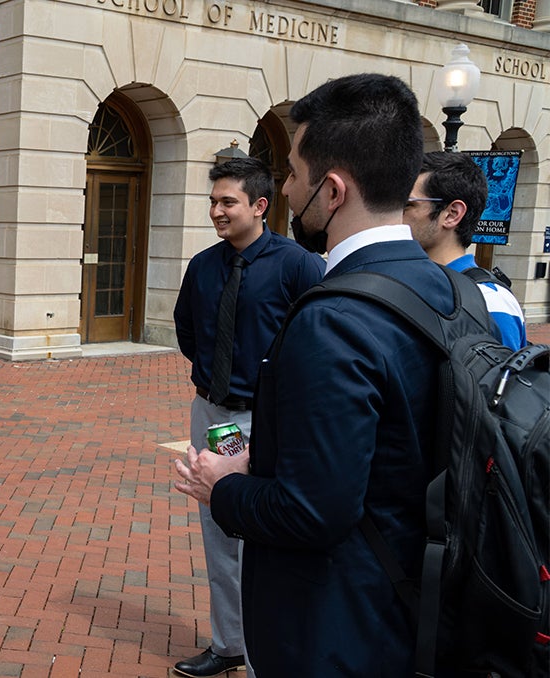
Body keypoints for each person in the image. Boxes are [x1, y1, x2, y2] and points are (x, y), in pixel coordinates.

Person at [173, 73, 453, 677]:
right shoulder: (443, 287)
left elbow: (313, 511)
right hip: (413, 604)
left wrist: (222, 486)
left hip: (340, 626)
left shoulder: (330, 316)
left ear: (330, 190)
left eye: (293, 174)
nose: (289, 187)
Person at [172, 157, 324, 677]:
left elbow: (318, 338)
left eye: (227, 202)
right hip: (214, 415)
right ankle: (229, 643)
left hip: (267, 423)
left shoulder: (299, 265)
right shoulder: (203, 265)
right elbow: (188, 333)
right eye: (212, 201)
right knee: (218, 531)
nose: (216, 211)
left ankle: (269, 653)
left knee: (264, 536)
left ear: (260, 206)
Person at [404, 151, 526, 350]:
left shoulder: (490, 302)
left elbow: (501, 380)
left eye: (408, 205)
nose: (394, 215)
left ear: (452, 214)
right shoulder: (409, 282)